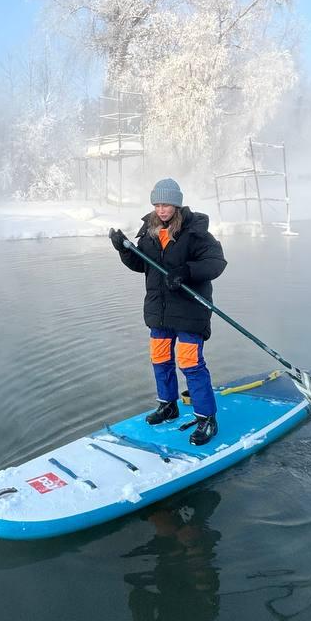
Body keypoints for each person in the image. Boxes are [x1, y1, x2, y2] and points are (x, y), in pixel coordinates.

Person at [109, 178, 227, 447]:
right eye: (157, 204)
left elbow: (216, 263)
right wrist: (123, 248)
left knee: (190, 363)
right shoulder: (150, 232)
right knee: (160, 358)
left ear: (177, 205)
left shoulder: (195, 231)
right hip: (159, 310)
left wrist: (187, 271)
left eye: (167, 204)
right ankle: (168, 405)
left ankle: (207, 418)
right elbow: (142, 264)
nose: (161, 210)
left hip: (189, 310)